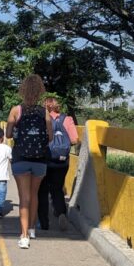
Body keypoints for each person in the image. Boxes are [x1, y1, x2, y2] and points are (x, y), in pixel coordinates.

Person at [5, 74, 52, 249]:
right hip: (40, 160)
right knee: (34, 195)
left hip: (21, 159)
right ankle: (32, 228)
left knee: (24, 197)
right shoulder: (44, 112)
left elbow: (8, 134)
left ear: (23, 90)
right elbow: (51, 137)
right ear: (40, 91)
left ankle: (24, 236)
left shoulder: (16, 110)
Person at [37, 97, 80, 231]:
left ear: (45, 107)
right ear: (57, 106)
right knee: (57, 188)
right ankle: (61, 213)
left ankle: (44, 222)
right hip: (62, 161)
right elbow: (74, 139)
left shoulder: (41, 119)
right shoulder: (67, 119)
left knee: (42, 190)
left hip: (45, 158)